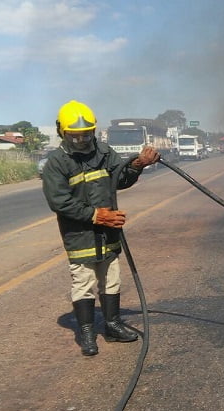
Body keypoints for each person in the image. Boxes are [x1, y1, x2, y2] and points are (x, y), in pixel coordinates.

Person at [41, 100, 160, 356]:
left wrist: (138, 165)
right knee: (83, 281)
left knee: (111, 278)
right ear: (62, 131)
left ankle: (113, 325)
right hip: (80, 233)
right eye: (76, 136)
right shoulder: (57, 163)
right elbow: (59, 201)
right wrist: (96, 216)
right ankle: (86, 332)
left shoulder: (104, 153)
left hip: (108, 231)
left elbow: (121, 179)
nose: (82, 140)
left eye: (87, 134)